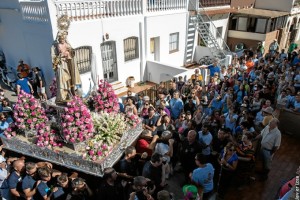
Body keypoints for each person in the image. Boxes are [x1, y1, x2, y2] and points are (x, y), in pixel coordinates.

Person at [51, 32, 81, 103]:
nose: (63, 40)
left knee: (70, 77)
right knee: (63, 78)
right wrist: (61, 56)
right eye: (61, 39)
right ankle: (64, 94)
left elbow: (72, 52)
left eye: (64, 38)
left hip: (68, 63)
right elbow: (55, 56)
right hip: (62, 64)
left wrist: (69, 53)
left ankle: (71, 91)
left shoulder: (67, 44)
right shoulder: (56, 45)